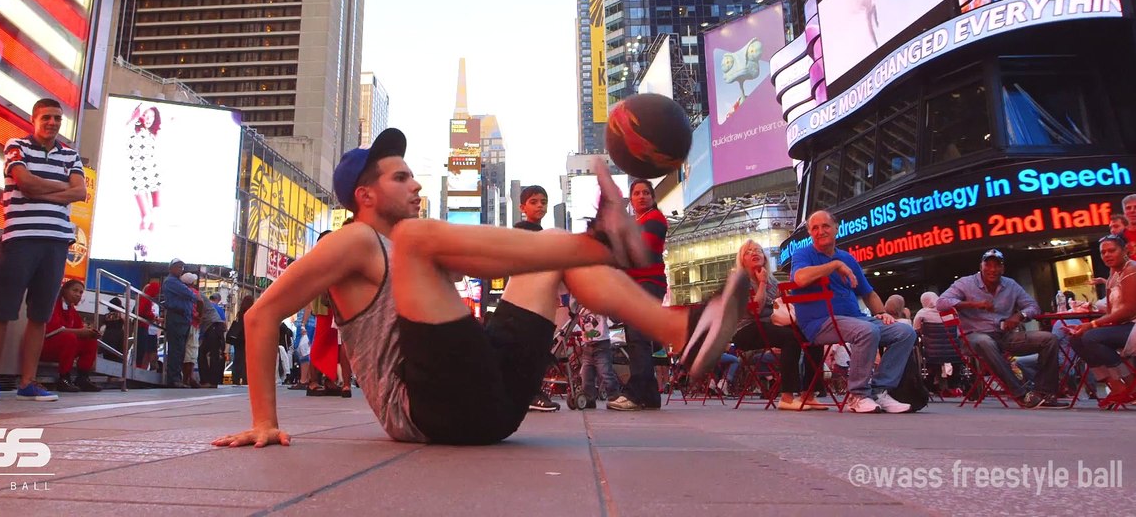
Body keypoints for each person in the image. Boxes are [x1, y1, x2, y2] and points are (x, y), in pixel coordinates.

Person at [213, 129, 742, 448]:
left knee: (546, 247)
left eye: (413, 175)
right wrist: (264, 422)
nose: (416, 184)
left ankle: (678, 328)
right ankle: (601, 244)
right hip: (426, 411)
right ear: (365, 195)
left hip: (491, 400)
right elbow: (261, 316)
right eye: (401, 178)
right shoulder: (352, 241)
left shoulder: (408, 244)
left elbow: (495, 264)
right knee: (431, 238)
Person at [0, 98, 86, 402]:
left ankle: (28, 381)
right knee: (2, 311)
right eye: (46, 117)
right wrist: (60, 191)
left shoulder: (71, 155)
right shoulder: (17, 145)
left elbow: (80, 191)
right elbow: (23, 182)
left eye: (57, 118)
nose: (52, 122)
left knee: (39, 314)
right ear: (34, 118)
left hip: (56, 242)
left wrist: (43, 189)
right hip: (20, 239)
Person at [789, 211, 917, 414]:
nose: (820, 231)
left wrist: (883, 312)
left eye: (825, 226)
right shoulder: (803, 254)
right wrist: (834, 265)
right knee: (866, 330)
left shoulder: (847, 257)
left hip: (855, 319)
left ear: (836, 228)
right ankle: (858, 395)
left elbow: (868, 293)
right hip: (820, 322)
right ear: (810, 233)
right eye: (815, 228)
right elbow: (800, 279)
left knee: (905, 332)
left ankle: (879, 390)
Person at [936, 249, 1065, 409]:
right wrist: (973, 304)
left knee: (1049, 339)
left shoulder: (1010, 284)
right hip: (973, 336)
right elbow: (941, 302)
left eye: (997, 266)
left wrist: (1019, 316)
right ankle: (1022, 393)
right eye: (988, 265)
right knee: (985, 341)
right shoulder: (965, 283)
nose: (992, 269)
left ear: (1003, 268)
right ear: (981, 266)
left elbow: (1033, 306)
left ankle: (1045, 394)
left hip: (1004, 335)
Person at [731, 240, 828, 410]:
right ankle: (787, 397)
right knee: (790, 338)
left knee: (814, 335)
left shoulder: (772, 280)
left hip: (771, 326)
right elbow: (756, 311)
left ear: (765, 257)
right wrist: (761, 283)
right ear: (742, 259)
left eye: (758, 250)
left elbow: (780, 307)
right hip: (746, 330)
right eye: (748, 252)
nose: (754, 253)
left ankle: (810, 393)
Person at [1066, 235, 1136, 406]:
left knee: (1091, 337)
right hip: (1128, 326)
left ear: (1125, 250)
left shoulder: (1134, 270)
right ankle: (1115, 386)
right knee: (1076, 339)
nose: (1106, 255)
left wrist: (1092, 325)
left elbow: (1129, 310)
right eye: (1103, 252)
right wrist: (1088, 318)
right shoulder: (1113, 275)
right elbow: (1113, 311)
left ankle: (1133, 385)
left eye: (1111, 250)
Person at [608, 178, 670, 412]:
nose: (642, 196)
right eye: (637, 193)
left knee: (637, 340)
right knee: (639, 338)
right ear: (631, 199)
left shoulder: (654, 219)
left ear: (652, 197)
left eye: (646, 192)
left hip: (647, 284)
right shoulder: (636, 221)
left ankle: (635, 394)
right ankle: (650, 396)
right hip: (639, 285)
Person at [512, 185, 559, 412]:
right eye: (534, 201)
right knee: (533, 348)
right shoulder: (522, 232)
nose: (540, 205)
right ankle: (530, 393)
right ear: (522, 207)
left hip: (537, 297)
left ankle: (527, 392)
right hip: (528, 299)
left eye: (543, 201)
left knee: (536, 347)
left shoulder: (540, 233)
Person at [41, 279, 102, 393]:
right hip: (45, 345)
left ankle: (83, 377)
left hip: (62, 346)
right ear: (64, 290)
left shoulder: (71, 309)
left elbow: (80, 329)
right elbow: (53, 331)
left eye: (80, 292)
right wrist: (81, 332)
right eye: (75, 290)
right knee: (70, 338)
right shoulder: (54, 305)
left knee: (90, 340)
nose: (78, 295)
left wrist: (90, 333)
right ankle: (64, 378)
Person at [127, 103, 162, 258]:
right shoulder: (135, 132)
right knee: (146, 215)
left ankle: (146, 245)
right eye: (146, 116)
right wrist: (132, 118)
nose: (149, 119)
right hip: (139, 179)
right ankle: (140, 244)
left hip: (154, 178)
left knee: (155, 215)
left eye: (152, 117)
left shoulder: (153, 135)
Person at [575, 298, 620, 408]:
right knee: (586, 374)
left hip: (602, 345)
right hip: (588, 346)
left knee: (605, 373)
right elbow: (573, 307)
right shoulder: (580, 309)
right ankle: (589, 398)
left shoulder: (600, 306)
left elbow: (613, 316)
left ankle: (614, 396)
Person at [161, 267, 197, 387]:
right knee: (176, 350)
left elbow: (191, 295)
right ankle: (174, 378)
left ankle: (177, 378)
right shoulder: (171, 281)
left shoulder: (177, 282)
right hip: (177, 318)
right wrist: (190, 294)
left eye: (181, 268)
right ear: (171, 268)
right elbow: (189, 294)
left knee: (180, 350)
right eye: (178, 267)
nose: (180, 270)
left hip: (183, 318)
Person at [199, 290, 227, 387]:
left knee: (203, 353)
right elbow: (224, 323)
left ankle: (207, 380)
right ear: (218, 300)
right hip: (216, 329)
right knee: (213, 355)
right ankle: (213, 381)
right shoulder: (218, 309)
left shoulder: (198, 297)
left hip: (211, 329)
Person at [226, 295, 254, 385]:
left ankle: (236, 378)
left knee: (237, 358)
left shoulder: (240, 313)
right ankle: (245, 378)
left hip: (238, 338)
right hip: (247, 338)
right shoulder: (252, 312)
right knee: (246, 359)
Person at [136, 273, 162, 369]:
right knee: (143, 351)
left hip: (150, 330)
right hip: (144, 327)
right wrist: (153, 317)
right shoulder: (145, 299)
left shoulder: (152, 302)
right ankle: (140, 368)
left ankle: (147, 368)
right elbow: (142, 311)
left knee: (148, 352)